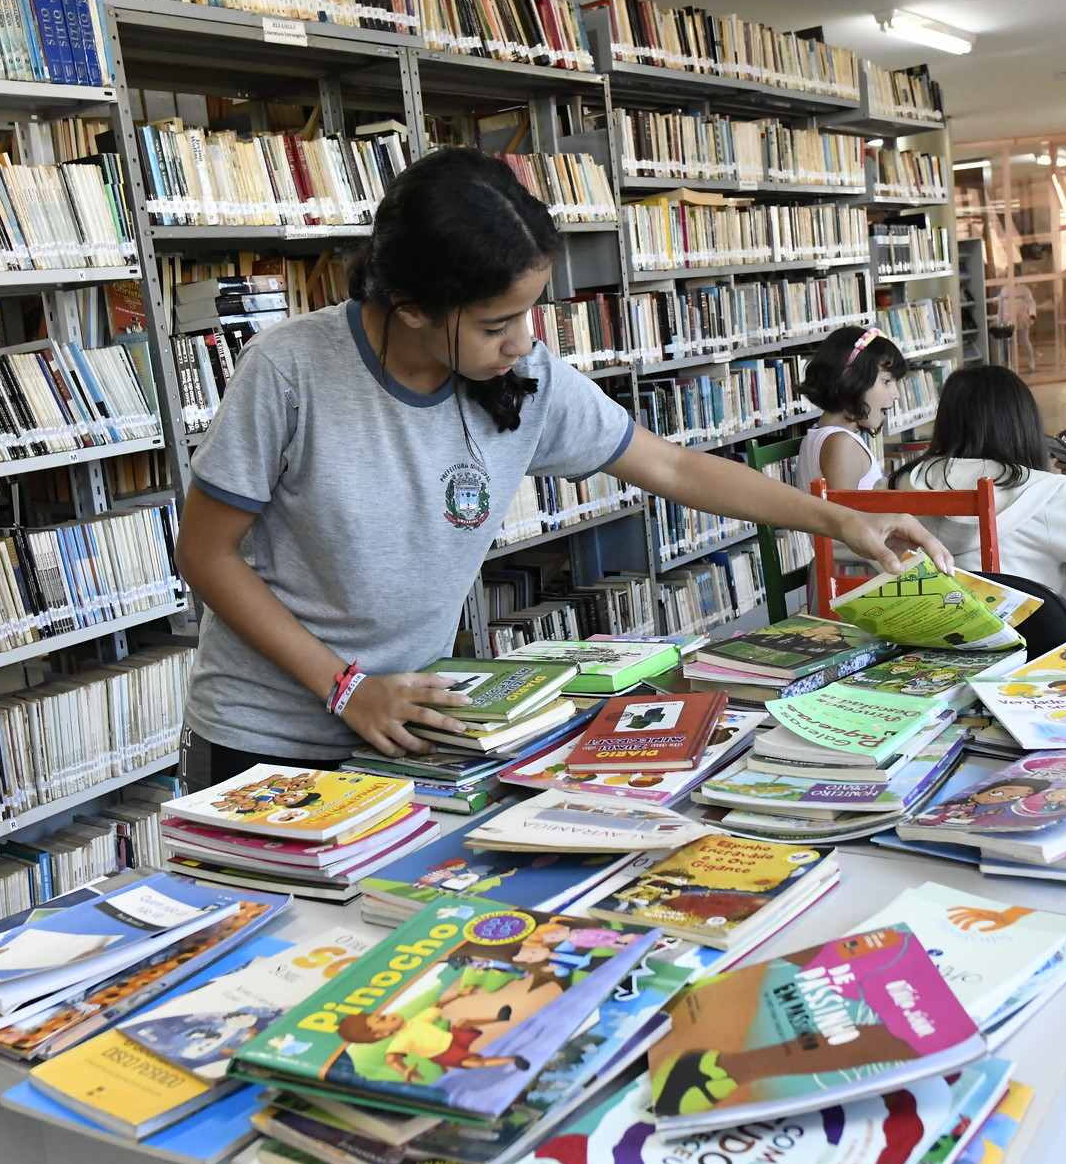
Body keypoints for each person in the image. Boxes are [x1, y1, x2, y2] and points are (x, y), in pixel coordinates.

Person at [174, 148, 951, 783]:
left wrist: (842, 515)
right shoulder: (291, 370)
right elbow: (204, 554)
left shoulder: (527, 378)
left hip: (414, 726)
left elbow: (674, 468)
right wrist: (343, 687)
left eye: (530, 314)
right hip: (265, 737)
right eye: (495, 323)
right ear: (410, 304)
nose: (522, 343)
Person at [889, 364, 1066, 592]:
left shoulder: (894, 487)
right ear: (1023, 425)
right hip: (1023, 653)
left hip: (915, 649)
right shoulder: (1044, 496)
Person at [796, 325, 907, 495]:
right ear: (851, 381)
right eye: (886, 382)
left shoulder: (821, 437)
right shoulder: (841, 444)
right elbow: (845, 517)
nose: (896, 394)